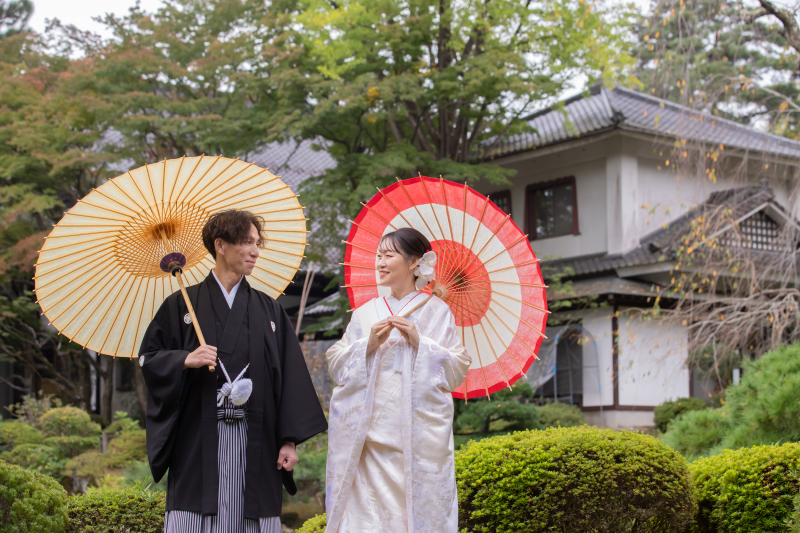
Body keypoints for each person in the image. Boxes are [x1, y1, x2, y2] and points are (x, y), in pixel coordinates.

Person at [139, 209, 328, 533]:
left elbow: (289, 379)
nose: (255, 251)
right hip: (198, 436)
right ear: (221, 245)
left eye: (257, 243)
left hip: (257, 436)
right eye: (246, 242)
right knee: (195, 515)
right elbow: (149, 358)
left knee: (251, 516)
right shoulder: (180, 305)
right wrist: (185, 359)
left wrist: (288, 441)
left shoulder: (269, 310)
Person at [324, 227, 472, 533]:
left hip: (413, 441)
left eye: (388, 255)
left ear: (415, 261)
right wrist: (367, 344)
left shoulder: (437, 312)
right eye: (378, 255)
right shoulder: (365, 313)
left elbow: (456, 367)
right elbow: (336, 363)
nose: (379, 262)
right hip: (365, 441)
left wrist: (420, 342)